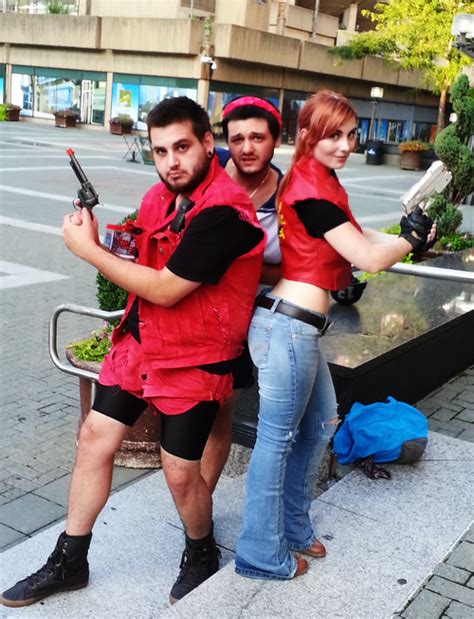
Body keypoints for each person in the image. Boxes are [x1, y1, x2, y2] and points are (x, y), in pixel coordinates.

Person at [0, 96, 265, 608]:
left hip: (196, 355)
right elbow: (144, 257)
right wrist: (104, 238)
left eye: (182, 147)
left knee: (178, 470)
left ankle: (201, 549)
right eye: (161, 150)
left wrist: (89, 252)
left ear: (208, 144)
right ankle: (70, 560)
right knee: (94, 437)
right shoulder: (159, 198)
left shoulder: (227, 214)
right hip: (143, 342)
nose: (171, 161)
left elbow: (166, 287)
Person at [234, 89, 436, 580]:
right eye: (333, 136)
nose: (346, 145)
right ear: (307, 135)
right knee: (277, 441)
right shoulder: (308, 187)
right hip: (286, 328)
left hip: (299, 327)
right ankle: (260, 552)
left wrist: (411, 240)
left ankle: (295, 527)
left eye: (351, 135)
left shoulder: (321, 180)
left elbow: (360, 238)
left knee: (321, 423)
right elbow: (366, 259)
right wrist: (407, 241)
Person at [201, 96, 283, 492]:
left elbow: (291, 266)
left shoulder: (286, 194)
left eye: (257, 137)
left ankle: (199, 507)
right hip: (192, 307)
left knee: (221, 410)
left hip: (245, 316)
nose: (247, 148)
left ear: (275, 140)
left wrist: (230, 262)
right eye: (237, 138)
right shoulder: (209, 171)